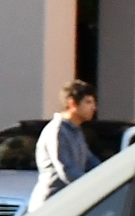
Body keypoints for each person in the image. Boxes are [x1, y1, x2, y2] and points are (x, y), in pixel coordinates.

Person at [28, 78, 101, 209]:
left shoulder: (76, 131)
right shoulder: (57, 131)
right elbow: (66, 169)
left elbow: (90, 161)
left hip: (66, 205)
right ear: (72, 103)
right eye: (88, 102)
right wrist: (93, 187)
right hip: (49, 206)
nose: (94, 107)